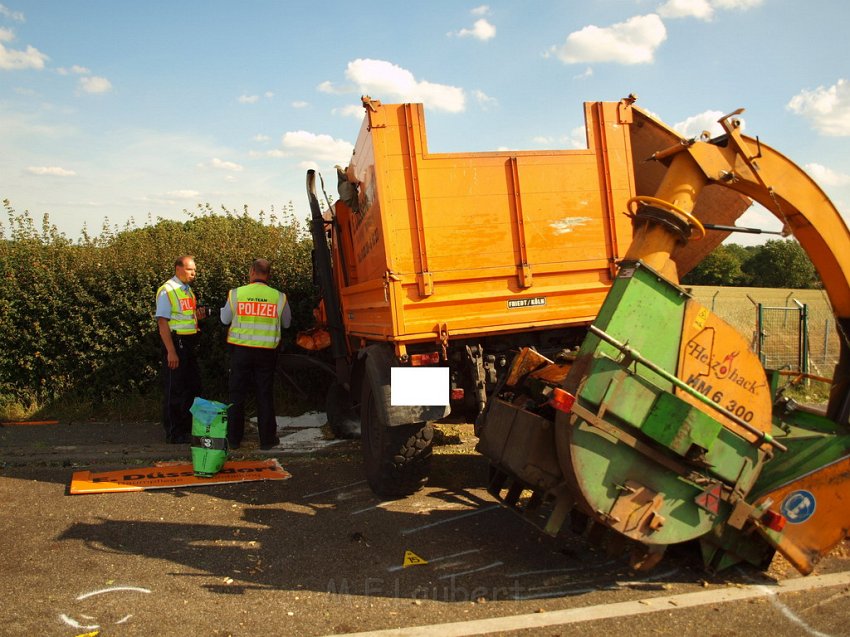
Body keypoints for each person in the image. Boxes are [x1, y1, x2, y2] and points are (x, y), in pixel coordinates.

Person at [220, 258, 291, 450]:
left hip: (240, 351)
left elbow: (225, 319)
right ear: (268, 274)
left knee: (237, 394)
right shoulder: (279, 297)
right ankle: (267, 440)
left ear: (251, 272)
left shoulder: (236, 294)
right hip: (266, 353)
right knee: (264, 394)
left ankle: (234, 439)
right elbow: (287, 324)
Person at [155, 255, 205, 444]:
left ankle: (186, 428)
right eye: (190, 269)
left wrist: (198, 317)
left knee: (191, 387)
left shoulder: (188, 291)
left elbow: (185, 318)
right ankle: (174, 433)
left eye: (194, 270)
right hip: (176, 343)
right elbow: (162, 322)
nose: (194, 273)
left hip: (189, 343)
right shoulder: (167, 290)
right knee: (174, 389)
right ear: (178, 268)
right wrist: (171, 351)